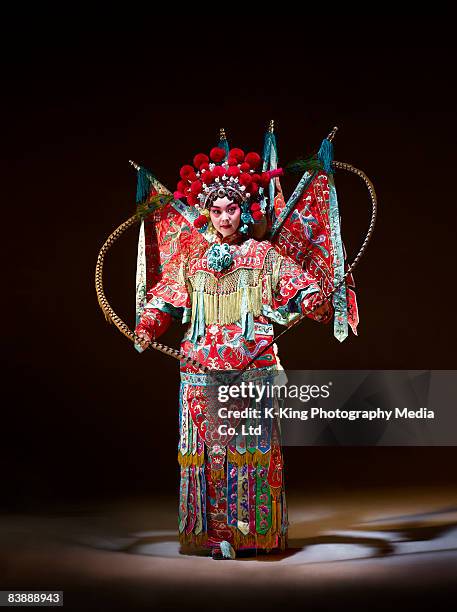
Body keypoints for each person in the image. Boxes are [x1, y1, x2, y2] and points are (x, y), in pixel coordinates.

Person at [133, 145, 332, 559]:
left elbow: (298, 284)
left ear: (246, 210)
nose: (225, 218)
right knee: (209, 456)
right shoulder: (191, 255)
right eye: (217, 209)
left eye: (233, 209)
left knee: (250, 452)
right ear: (206, 211)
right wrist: (149, 324)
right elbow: (166, 296)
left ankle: (252, 533)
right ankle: (212, 534)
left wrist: (313, 300)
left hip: (251, 368)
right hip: (200, 368)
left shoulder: (261, 255)